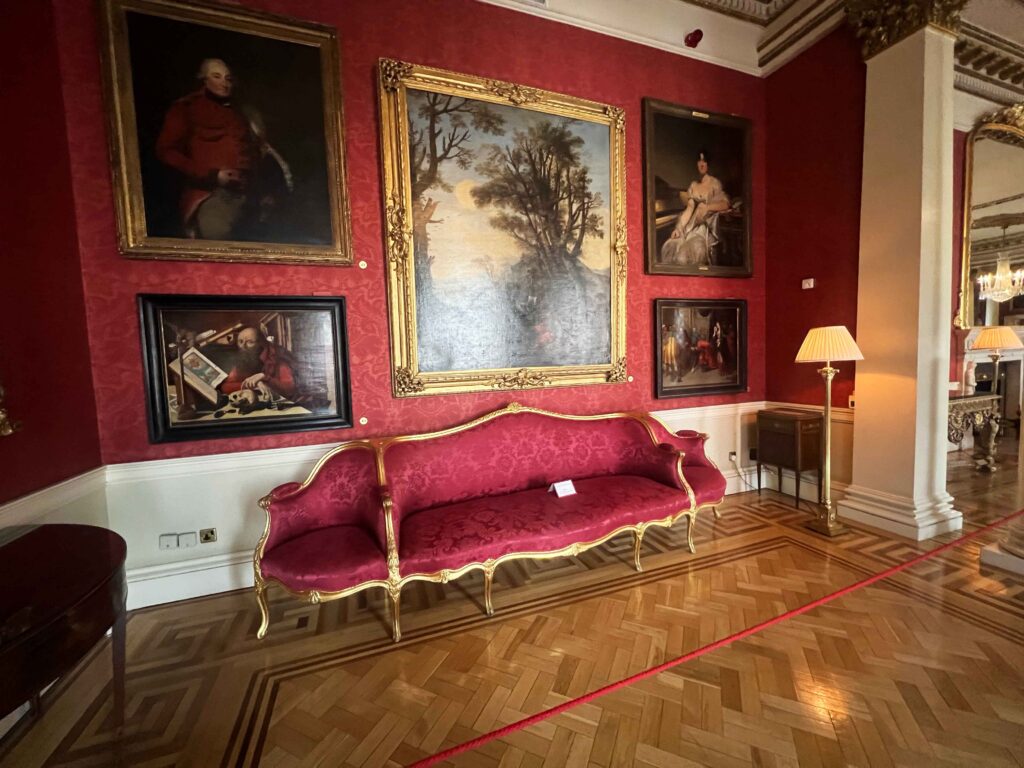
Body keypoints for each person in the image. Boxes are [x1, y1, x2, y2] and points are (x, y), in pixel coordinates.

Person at [155, 58, 292, 240]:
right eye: (216, 76)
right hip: (212, 195)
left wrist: (265, 191)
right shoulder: (186, 108)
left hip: (252, 197)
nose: (224, 83)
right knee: (218, 238)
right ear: (204, 79)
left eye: (228, 78)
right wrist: (213, 175)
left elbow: (259, 153)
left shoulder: (243, 111)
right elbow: (166, 152)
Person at [660, 150, 731, 267]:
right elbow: (689, 209)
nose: (701, 164)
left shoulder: (714, 183)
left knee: (684, 255)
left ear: (708, 164)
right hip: (689, 228)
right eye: (699, 161)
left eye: (704, 161)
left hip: (703, 230)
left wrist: (707, 207)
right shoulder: (693, 185)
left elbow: (725, 204)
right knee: (670, 246)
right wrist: (678, 228)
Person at [220, 327, 297, 399]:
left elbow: (290, 388)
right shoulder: (244, 359)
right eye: (240, 341)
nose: (243, 346)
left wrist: (265, 377)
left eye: (250, 342)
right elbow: (225, 387)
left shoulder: (277, 357)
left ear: (261, 343)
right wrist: (254, 385)